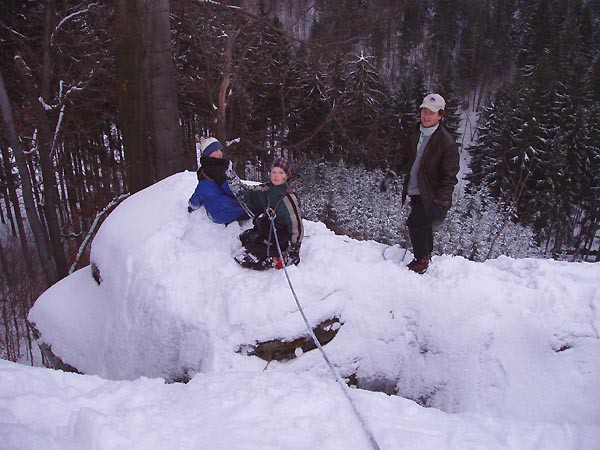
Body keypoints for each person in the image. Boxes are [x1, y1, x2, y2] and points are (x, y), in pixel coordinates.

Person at [380, 93, 459, 274]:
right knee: (423, 224)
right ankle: (426, 255)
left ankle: (421, 260)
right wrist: (392, 173)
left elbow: (449, 176)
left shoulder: (446, 143)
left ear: (440, 115)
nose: (426, 116)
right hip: (415, 188)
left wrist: (442, 202)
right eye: (424, 111)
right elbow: (404, 154)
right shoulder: (415, 131)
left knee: (415, 223)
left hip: (431, 193)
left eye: (431, 113)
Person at [230, 157, 303, 271]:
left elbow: (296, 226)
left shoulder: (289, 199)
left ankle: (271, 258)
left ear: (287, 175)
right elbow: (247, 193)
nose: (276, 176)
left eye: (281, 172)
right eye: (274, 172)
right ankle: (261, 245)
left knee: (258, 247)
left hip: (282, 236)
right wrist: (232, 179)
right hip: (270, 227)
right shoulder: (267, 189)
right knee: (247, 238)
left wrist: (293, 252)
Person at [188, 137, 249, 224]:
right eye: (215, 150)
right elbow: (232, 190)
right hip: (229, 210)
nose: (219, 153)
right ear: (207, 153)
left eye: (220, 150)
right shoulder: (217, 171)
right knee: (258, 208)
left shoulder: (203, 172)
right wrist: (248, 196)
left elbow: (199, 193)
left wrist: (192, 205)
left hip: (213, 215)